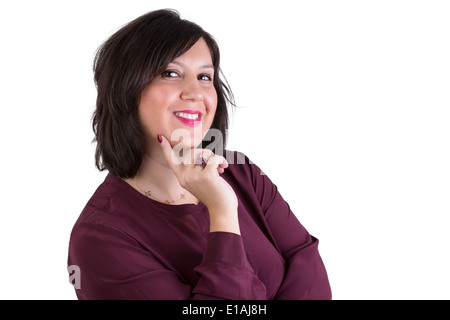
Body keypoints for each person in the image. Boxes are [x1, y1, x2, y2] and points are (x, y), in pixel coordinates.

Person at [67, 9, 332, 300]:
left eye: (205, 77)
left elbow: (308, 268)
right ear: (126, 89)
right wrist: (222, 213)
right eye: (171, 73)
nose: (195, 93)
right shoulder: (101, 238)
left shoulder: (242, 173)